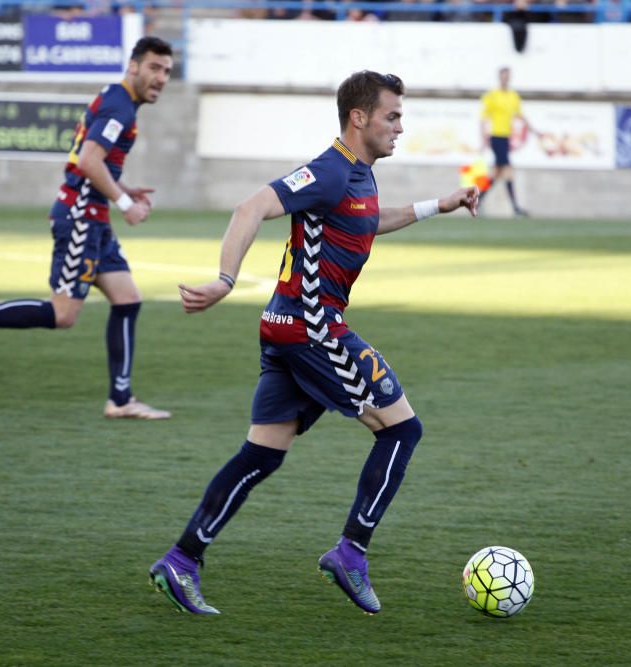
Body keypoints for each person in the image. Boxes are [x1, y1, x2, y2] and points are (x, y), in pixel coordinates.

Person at [148, 70, 479, 615]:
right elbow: (250, 207)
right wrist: (225, 280)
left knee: (261, 454)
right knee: (402, 430)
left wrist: (436, 205)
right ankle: (351, 552)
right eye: (392, 116)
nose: (400, 126)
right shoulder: (329, 171)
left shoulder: (360, 177)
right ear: (359, 118)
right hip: (314, 328)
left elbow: (367, 222)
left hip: (286, 327)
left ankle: (182, 560)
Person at [0, 36, 174, 420]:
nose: (161, 78)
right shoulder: (120, 107)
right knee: (63, 314)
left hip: (93, 218)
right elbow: (90, 161)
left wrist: (124, 188)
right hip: (80, 218)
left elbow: (87, 159)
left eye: (167, 71)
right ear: (134, 66)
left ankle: (121, 399)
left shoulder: (117, 99)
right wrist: (125, 204)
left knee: (128, 299)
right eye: (154, 68)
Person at [479, 66, 534, 217]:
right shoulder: (492, 95)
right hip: (496, 137)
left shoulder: (513, 96)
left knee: (496, 174)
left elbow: (520, 115)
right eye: (503, 75)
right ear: (499, 77)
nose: (505, 78)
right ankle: (515, 207)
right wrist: (484, 138)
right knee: (508, 170)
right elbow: (484, 118)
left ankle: (477, 200)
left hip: (506, 138)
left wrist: (534, 130)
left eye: (507, 76)